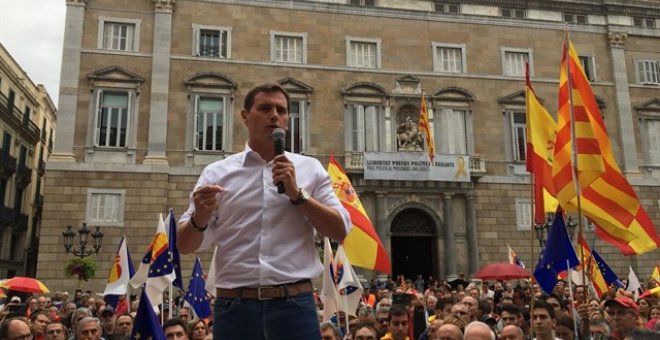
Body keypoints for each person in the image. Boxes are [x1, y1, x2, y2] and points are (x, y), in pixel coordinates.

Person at [177, 83, 351, 340]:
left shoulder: (310, 169)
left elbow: (340, 230)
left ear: (287, 121)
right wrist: (199, 218)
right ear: (245, 116)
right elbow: (184, 245)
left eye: (281, 110)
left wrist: (298, 194)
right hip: (235, 309)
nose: (274, 115)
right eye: (264, 108)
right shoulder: (216, 173)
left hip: (295, 307)